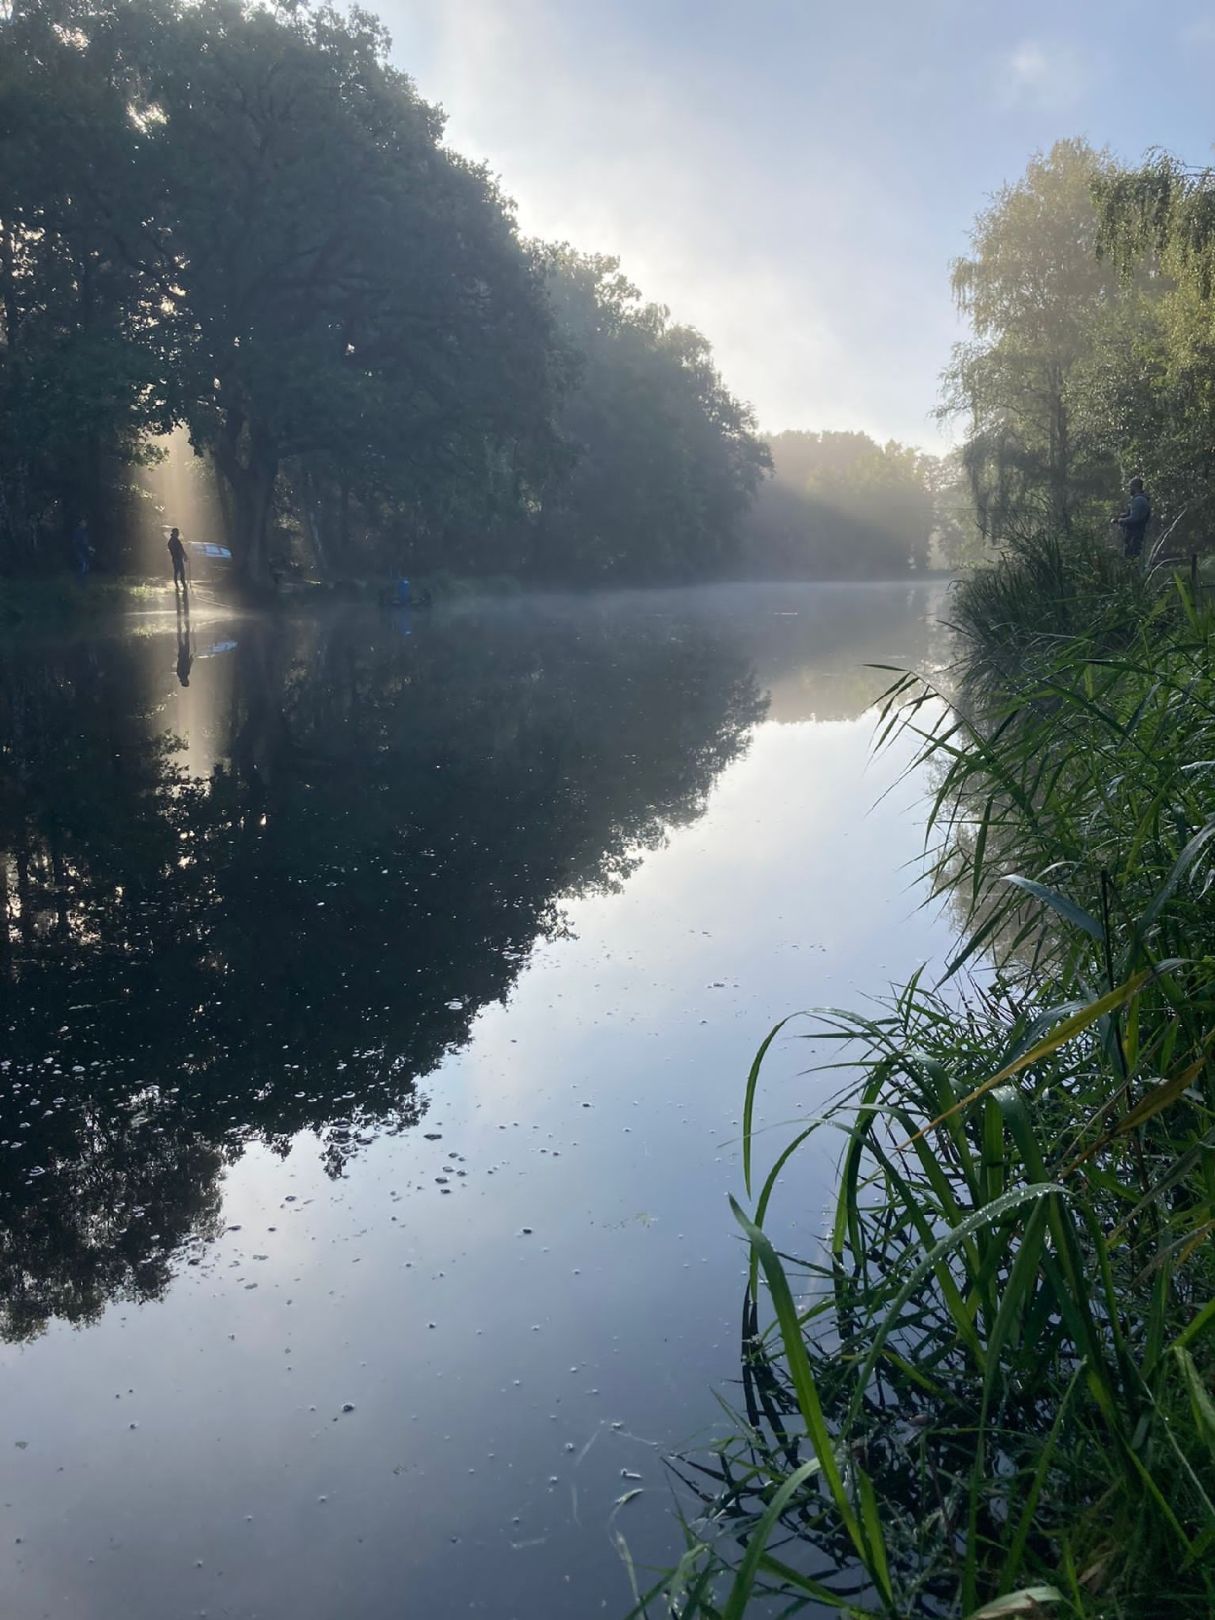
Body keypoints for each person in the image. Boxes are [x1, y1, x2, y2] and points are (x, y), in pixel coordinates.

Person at [1113, 477, 1152, 560]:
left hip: (1135, 535)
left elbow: (1135, 518)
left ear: (1135, 487)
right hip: (1134, 535)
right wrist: (1124, 515)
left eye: (1130, 487)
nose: (1129, 489)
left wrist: (1121, 520)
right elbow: (1134, 514)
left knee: (1132, 557)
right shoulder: (1140, 499)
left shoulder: (1139, 500)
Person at [167, 526, 188, 590]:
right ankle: (181, 585)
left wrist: (184, 555)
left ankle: (178, 585)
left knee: (177, 571)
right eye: (177, 532)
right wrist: (184, 555)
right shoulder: (174, 541)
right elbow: (180, 549)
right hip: (177, 558)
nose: (178, 534)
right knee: (180, 571)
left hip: (176, 558)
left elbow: (180, 549)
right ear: (175, 533)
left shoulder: (172, 541)